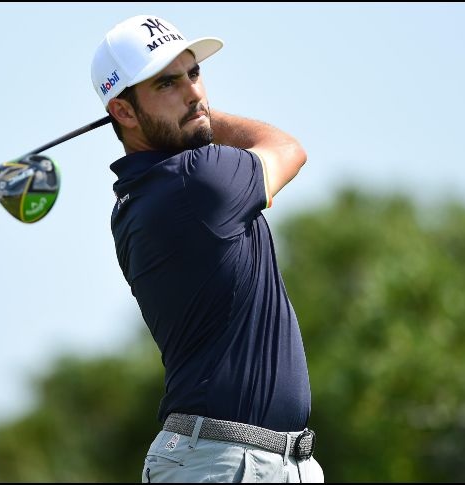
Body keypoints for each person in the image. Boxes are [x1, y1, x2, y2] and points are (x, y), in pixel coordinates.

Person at [91, 15, 324, 483]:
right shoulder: (197, 181)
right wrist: (204, 120)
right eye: (167, 84)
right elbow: (286, 148)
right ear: (124, 112)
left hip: (246, 459)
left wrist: (184, 114)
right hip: (224, 463)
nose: (194, 93)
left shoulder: (142, 196)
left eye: (194, 73)